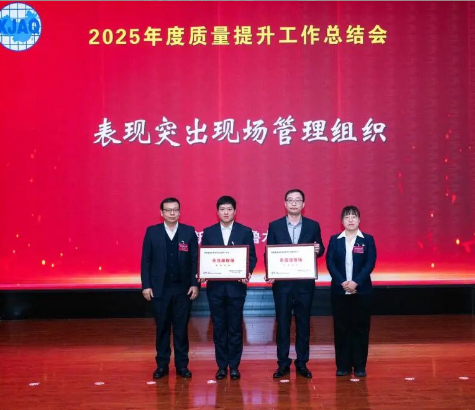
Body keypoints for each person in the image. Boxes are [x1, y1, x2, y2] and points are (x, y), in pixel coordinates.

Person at [266, 189, 325, 379]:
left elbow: (320, 248)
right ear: (285, 204)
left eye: (297, 200)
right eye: (290, 200)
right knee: (282, 324)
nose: (293, 203)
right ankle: (283, 363)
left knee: (303, 324)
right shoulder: (274, 225)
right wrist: (271, 272)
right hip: (282, 285)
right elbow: (269, 252)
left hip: (304, 284)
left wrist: (318, 249)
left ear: (303, 204)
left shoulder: (313, 225)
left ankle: (302, 363)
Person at [141, 197, 199, 379]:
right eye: (168, 210)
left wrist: (194, 283)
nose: (172, 213)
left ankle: (182, 365)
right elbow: (146, 261)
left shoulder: (189, 232)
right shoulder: (152, 232)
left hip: (183, 289)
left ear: (180, 212)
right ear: (162, 213)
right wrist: (146, 285)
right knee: (162, 328)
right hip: (160, 289)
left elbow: (194, 260)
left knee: (181, 329)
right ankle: (162, 365)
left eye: (175, 210)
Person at [201, 196, 257, 380]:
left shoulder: (245, 231)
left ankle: (234, 366)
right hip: (215, 289)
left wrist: (246, 272)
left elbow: (252, 257)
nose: (226, 212)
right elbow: (204, 257)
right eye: (222, 209)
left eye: (229, 209)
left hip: (236, 288)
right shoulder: (209, 232)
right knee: (218, 327)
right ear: (217, 212)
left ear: (235, 211)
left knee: (234, 327)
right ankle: (221, 366)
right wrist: (204, 271)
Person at [326, 206, 377, 378]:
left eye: (354, 216)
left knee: (361, 329)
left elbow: (369, 263)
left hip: (361, 292)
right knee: (341, 328)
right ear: (342, 221)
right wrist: (342, 282)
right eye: (347, 217)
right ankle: (343, 366)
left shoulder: (367, 239)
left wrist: (356, 282)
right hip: (339, 291)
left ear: (359, 220)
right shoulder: (335, 240)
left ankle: (360, 366)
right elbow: (330, 263)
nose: (350, 220)